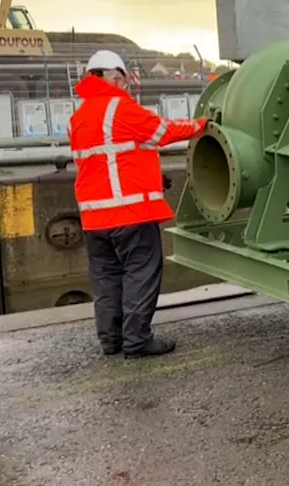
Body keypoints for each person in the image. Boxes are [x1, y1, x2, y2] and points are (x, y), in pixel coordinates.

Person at [69, 50, 207, 359]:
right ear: (115, 77)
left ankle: (111, 340)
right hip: (130, 214)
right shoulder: (120, 107)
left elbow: (112, 160)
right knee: (140, 274)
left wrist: (152, 178)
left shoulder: (78, 117)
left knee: (106, 280)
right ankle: (137, 340)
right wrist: (200, 124)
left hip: (94, 218)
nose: (125, 85)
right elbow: (161, 131)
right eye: (123, 80)